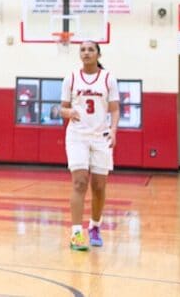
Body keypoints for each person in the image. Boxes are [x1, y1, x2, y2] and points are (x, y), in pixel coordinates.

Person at [60, 40, 118, 251]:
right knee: (79, 183)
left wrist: (113, 130)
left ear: (98, 54)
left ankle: (95, 226)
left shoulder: (109, 79)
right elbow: (62, 108)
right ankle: (76, 234)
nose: (86, 53)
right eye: (83, 50)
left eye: (90, 49)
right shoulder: (71, 78)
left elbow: (114, 109)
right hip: (77, 136)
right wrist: (68, 112)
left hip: (101, 136)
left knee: (99, 187)